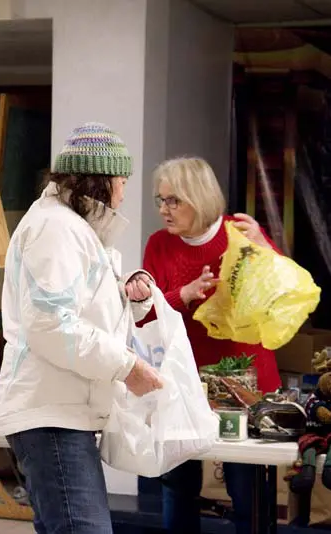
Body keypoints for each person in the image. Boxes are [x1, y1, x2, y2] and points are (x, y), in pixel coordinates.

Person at [0, 122, 163, 534]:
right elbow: (51, 325)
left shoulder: (75, 228)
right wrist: (126, 367)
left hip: (63, 413)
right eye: (122, 182)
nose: (123, 194)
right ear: (102, 182)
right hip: (51, 416)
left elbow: (79, 308)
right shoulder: (57, 229)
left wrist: (129, 295)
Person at [129, 156, 283, 534]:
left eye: (173, 201)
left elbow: (281, 292)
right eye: (160, 200)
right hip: (183, 383)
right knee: (178, 487)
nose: (164, 209)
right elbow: (143, 316)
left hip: (245, 385)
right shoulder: (159, 245)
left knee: (246, 490)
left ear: (198, 197)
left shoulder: (239, 234)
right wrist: (183, 294)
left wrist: (264, 247)